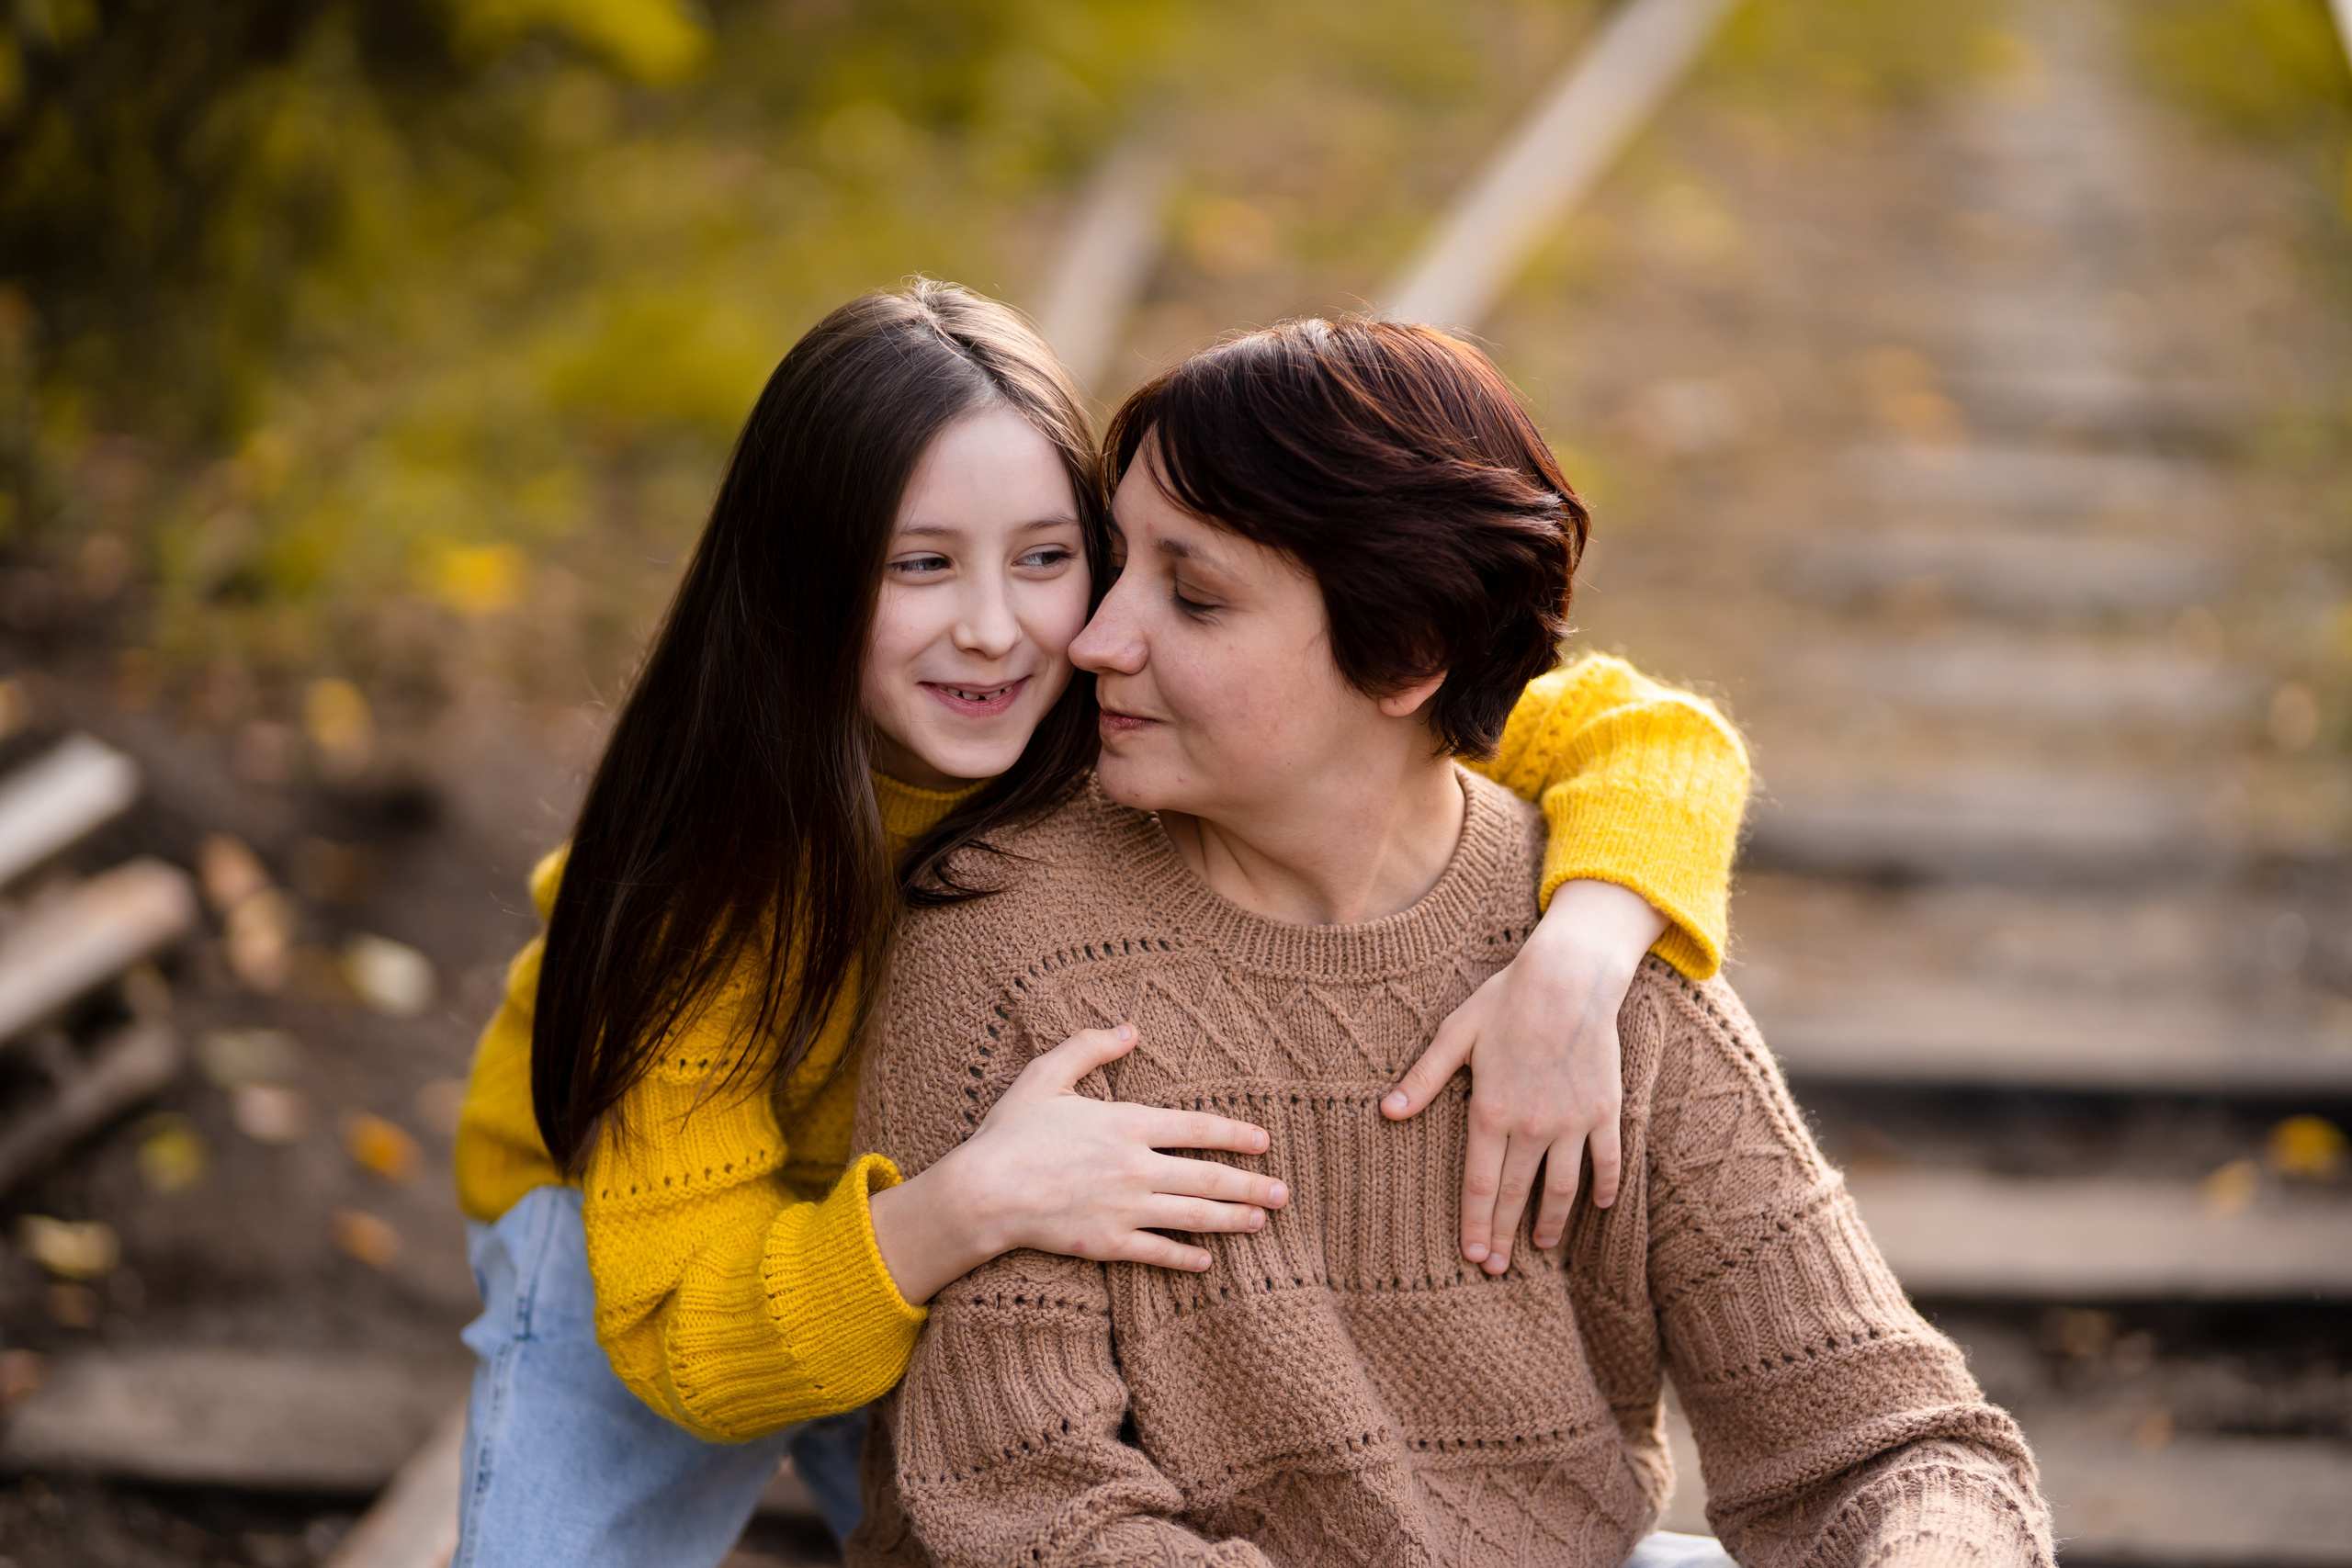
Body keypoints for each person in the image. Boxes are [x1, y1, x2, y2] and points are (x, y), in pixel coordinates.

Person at [449, 284, 1753, 1567]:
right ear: (802, 581)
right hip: (659, 1256)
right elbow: (692, 1347)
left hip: (984, 1222)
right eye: (920, 565)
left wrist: (1578, 959)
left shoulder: (1131, 707)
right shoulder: (709, 877)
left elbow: (1642, 734)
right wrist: (962, 1208)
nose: (993, 627)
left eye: (1044, 558)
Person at [854, 317, 2053, 1567]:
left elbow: (1894, 1442)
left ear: (1409, 656)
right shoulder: (1002, 949)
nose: (1095, 639)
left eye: (1192, 595)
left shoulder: (1586, 963)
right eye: (1115, 566)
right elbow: (1027, 1503)